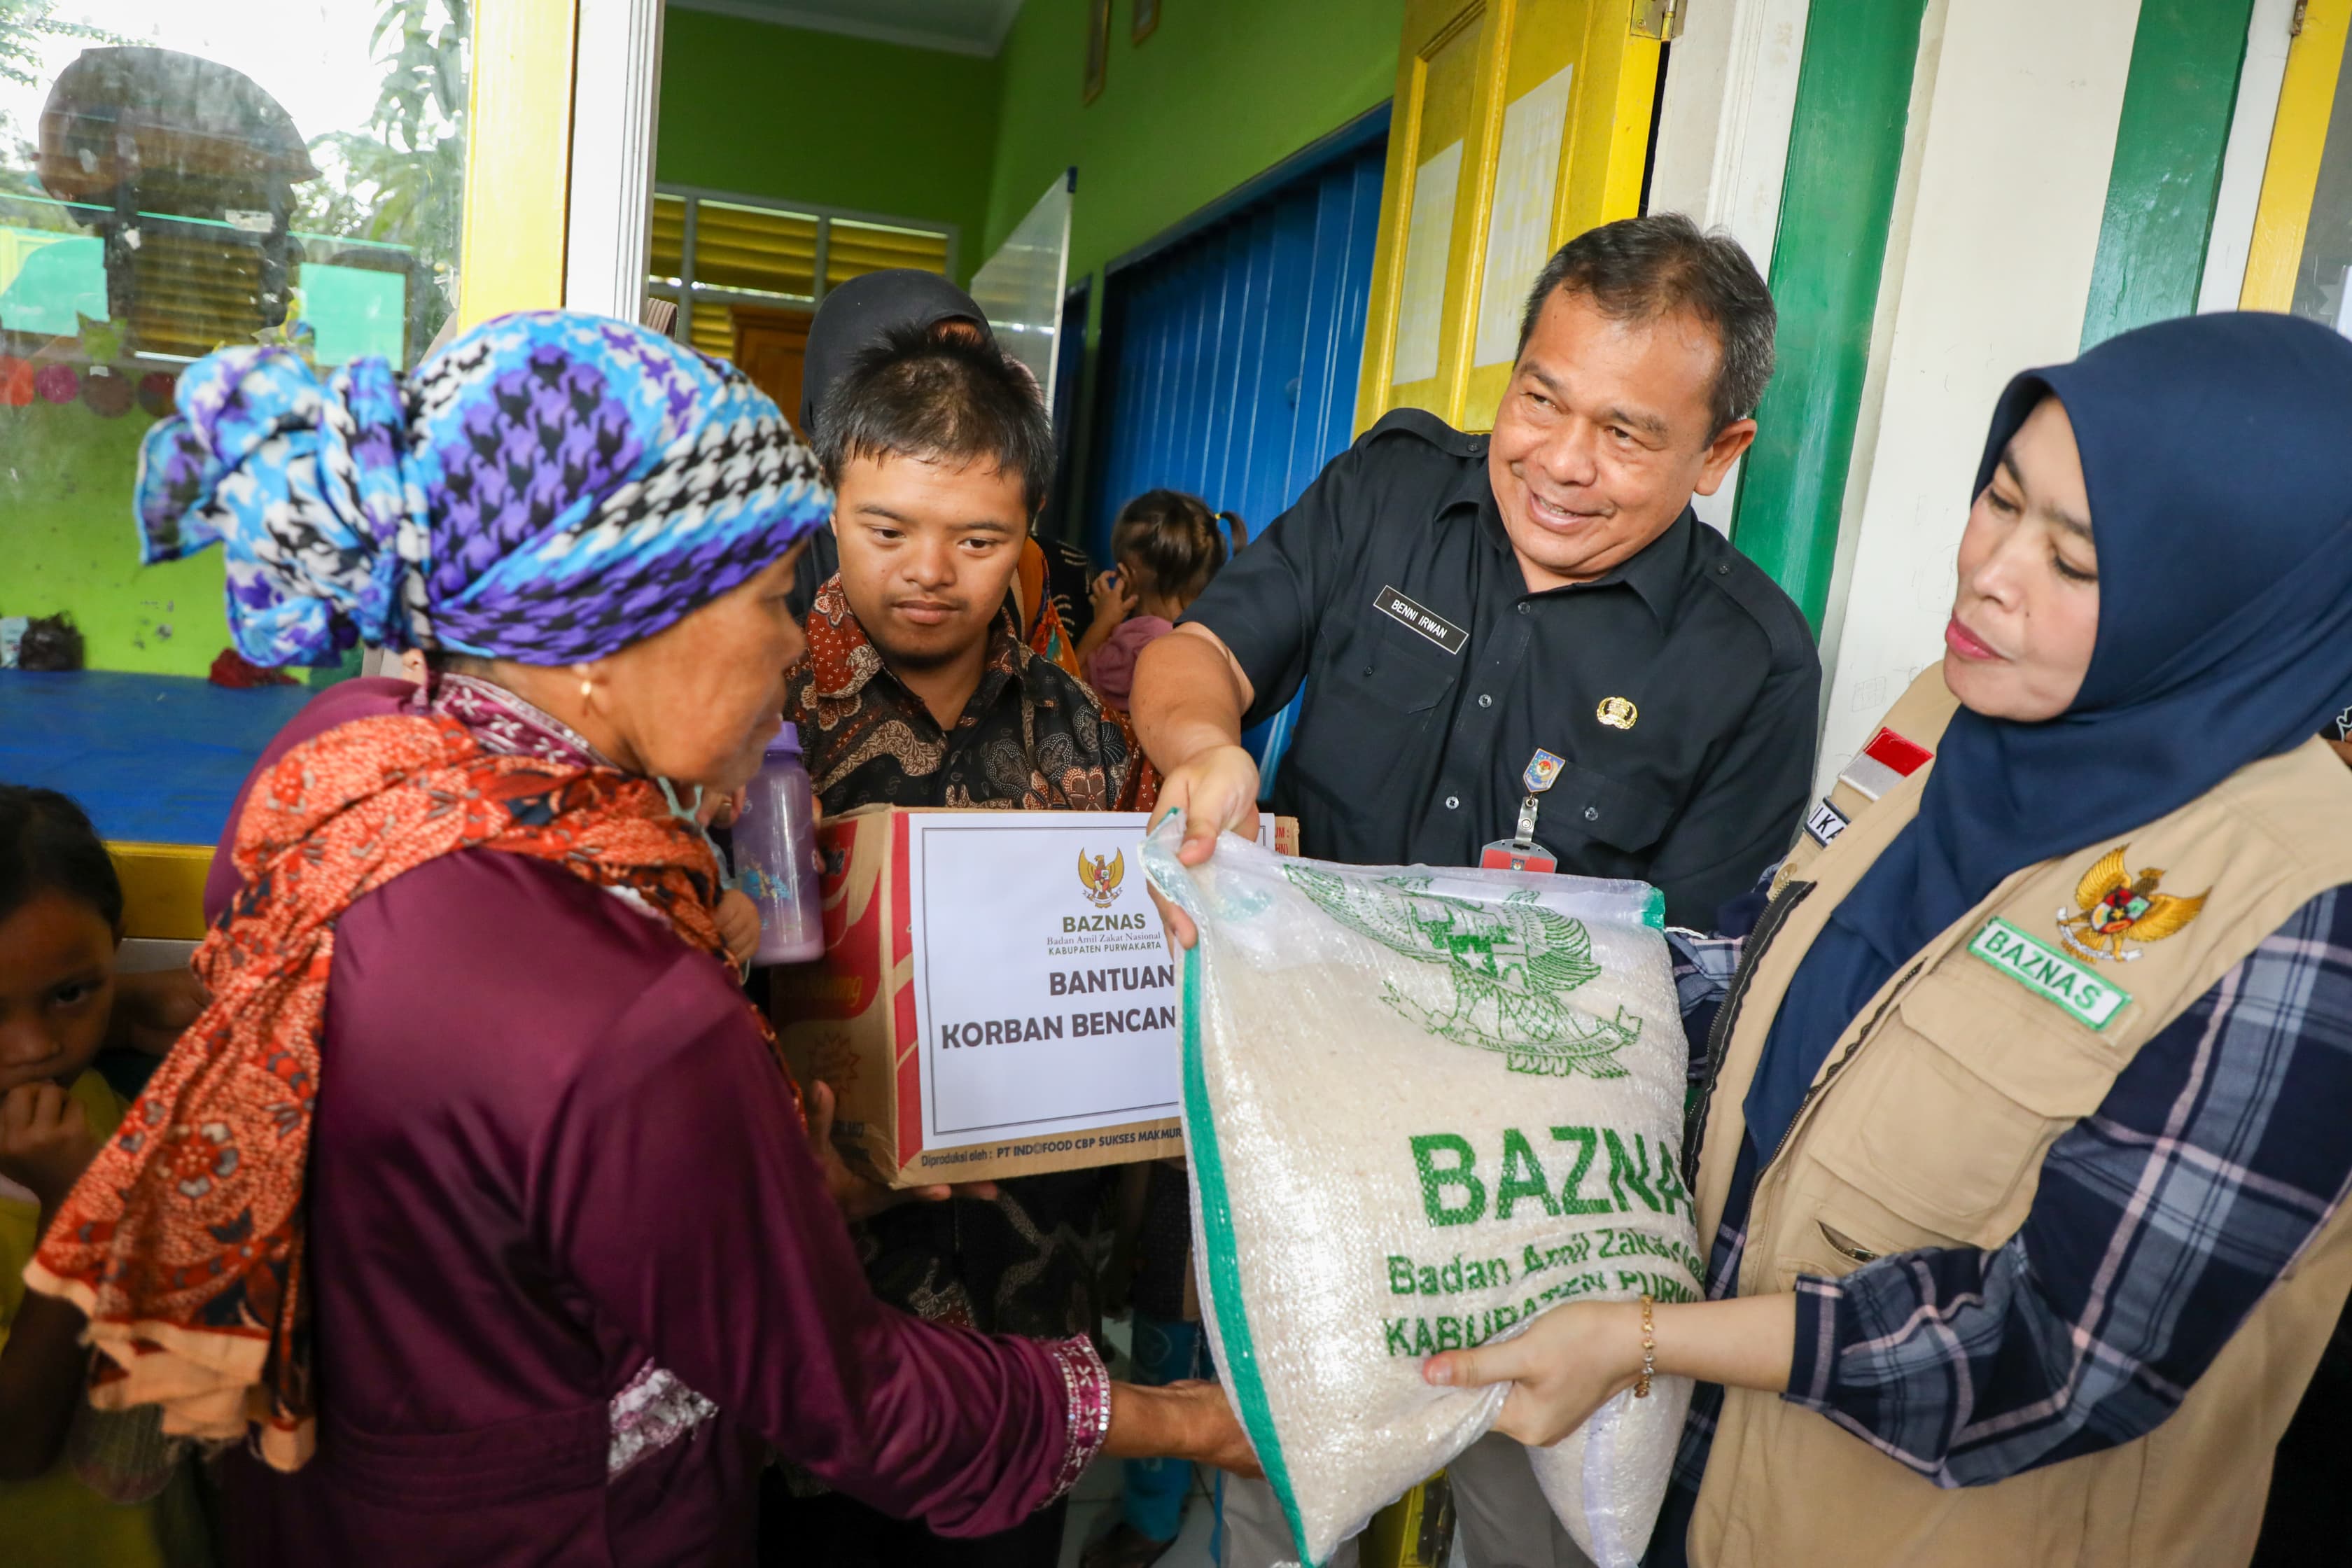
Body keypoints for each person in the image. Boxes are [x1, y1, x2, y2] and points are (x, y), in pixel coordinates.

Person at [22, 312, 1252, 1566]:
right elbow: (850, 1389)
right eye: (776, 601)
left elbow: (501, 1203)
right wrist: (1188, 1420)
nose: (794, 646)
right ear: (618, 629)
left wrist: (778, 1186)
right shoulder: (625, 1003)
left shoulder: (338, 763)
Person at [1417, 312, 2352, 1568]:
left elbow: (2065, 1356)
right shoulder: (1946, 713)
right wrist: (1436, 976)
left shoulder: (2303, 898)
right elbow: (1759, 980)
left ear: (2231, 600)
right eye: (2000, 500)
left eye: (2076, 563)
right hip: (1680, 1495)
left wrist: (1648, 1338)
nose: (1993, 573)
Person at [1136, 213, 1814, 1568]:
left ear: (1719, 453)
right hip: (1307, 1143)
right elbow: (1199, 650)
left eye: (1626, 433)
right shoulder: (1392, 490)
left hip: (1530, 1196)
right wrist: (1205, 751)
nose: (1560, 463)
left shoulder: (1753, 666)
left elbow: (1683, 997)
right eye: (1540, 399)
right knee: (1277, 1503)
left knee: (1522, 1530)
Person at [774, 312, 1157, 1568]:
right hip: (816, 1304)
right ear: (832, 502)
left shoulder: (1081, 734)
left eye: (979, 540)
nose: (929, 571)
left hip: (1026, 1307)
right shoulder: (756, 708)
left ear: (1031, 531)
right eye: (888, 531)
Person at [0, 785, 209, 1566]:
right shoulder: (66, 1135)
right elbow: (16, 1445)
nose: (32, 1047)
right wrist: (73, 1214)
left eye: (68, 992)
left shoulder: (82, 1093)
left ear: (115, 947)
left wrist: (118, 1009)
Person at [785, 269, 1100, 673]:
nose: (930, 574)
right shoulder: (743, 569)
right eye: (913, 375)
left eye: (973, 369)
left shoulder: (1023, 565)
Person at [1081, 489, 1240, 710]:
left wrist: (1103, 623)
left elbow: (1066, 688)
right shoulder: (1214, 646)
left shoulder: (1135, 645)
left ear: (1126, 575)